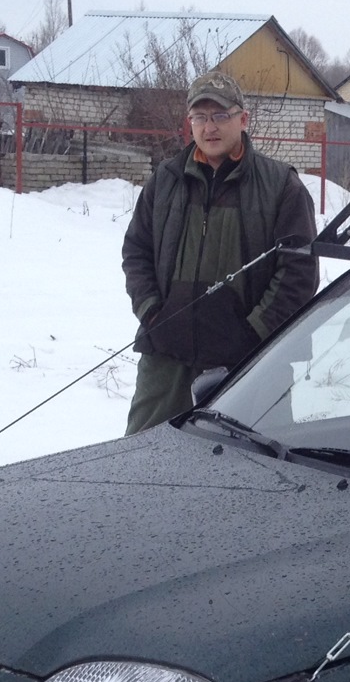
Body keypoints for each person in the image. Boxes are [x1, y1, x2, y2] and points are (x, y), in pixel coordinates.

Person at [121, 70, 318, 434]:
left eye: (220, 115)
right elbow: (136, 252)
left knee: (253, 472)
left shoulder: (280, 186)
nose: (209, 127)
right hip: (167, 360)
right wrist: (152, 314)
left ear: (243, 119)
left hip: (250, 364)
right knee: (143, 463)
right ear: (190, 122)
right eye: (200, 117)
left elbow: (298, 273)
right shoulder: (165, 181)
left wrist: (254, 334)